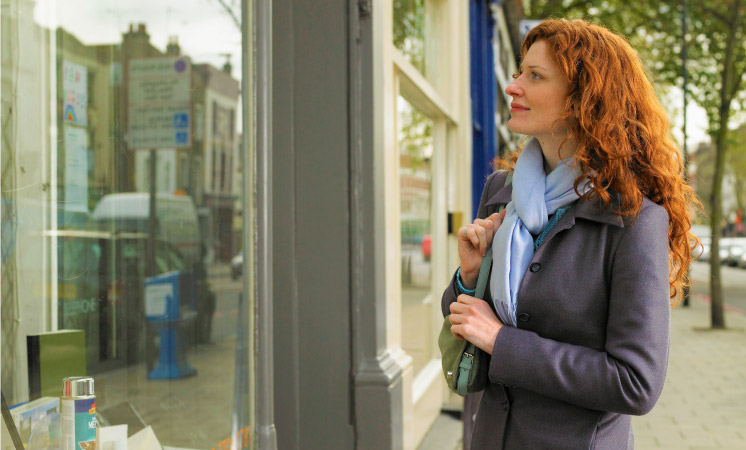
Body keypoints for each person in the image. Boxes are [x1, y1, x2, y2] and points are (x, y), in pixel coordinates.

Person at [442, 19, 700, 449]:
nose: (513, 87)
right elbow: (469, 330)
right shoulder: (499, 193)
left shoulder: (633, 218)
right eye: (518, 73)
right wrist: (470, 278)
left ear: (584, 100)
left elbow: (636, 383)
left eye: (535, 76)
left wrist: (504, 342)